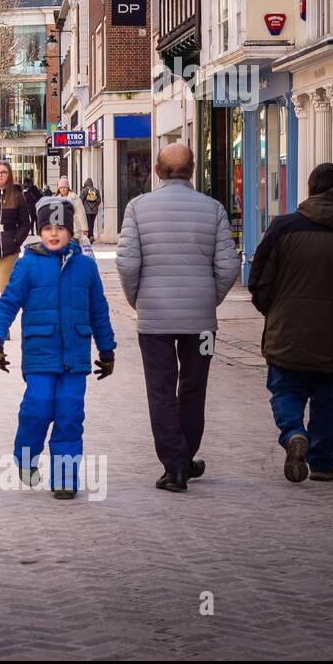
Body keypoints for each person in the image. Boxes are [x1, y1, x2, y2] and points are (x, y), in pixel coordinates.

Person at [116, 145, 239, 492]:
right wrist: (209, 298)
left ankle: (175, 465)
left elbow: (127, 264)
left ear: (157, 171)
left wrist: (138, 299)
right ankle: (184, 457)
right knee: (194, 388)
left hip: (154, 319)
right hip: (201, 321)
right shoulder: (212, 209)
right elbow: (229, 266)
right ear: (193, 169)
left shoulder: (138, 208)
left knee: (161, 390)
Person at [248, 163, 333, 483]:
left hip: (288, 331)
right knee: (330, 400)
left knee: (286, 391)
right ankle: (322, 462)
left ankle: (294, 432)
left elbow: (259, 281)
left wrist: (275, 311)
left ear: (310, 190)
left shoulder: (284, 227)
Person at [0, 196, 116, 500]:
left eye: (60, 228)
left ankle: (65, 478)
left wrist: (107, 349)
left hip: (75, 356)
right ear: (39, 231)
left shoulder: (85, 267)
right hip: (40, 354)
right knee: (37, 408)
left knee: (70, 414)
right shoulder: (27, 265)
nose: (54, 234)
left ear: (71, 231)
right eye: (47, 228)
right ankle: (26, 458)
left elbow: (99, 309)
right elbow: (7, 304)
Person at [0, 160, 32, 313]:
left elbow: (25, 223)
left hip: (10, 247)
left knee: (5, 286)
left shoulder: (17, 195)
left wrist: (16, 239)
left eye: (3, 172)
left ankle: (2, 323)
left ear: (9, 174)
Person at [54, 176, 89, 241]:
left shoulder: (75, 198)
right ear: (58, 189)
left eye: (65, 187)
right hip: (61, 228)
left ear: (68, 188)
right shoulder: (56, 200)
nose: (63, 189)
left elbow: (81, 213)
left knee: (74, 246)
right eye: (61, 188)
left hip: (74, 227)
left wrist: (84, 228)